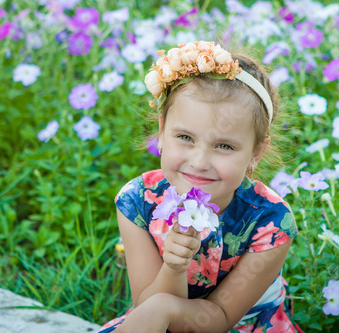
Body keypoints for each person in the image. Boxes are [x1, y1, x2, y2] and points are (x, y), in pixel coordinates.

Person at [97, 41, 302, 333]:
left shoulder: (271, 222)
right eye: (185, 138)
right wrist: (174, 268)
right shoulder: (138, 201)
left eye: (224, 146)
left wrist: (163, 307)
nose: (200, 161)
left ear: (256, 152)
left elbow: (217, 319)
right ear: (163, 130)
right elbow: (147, 308)